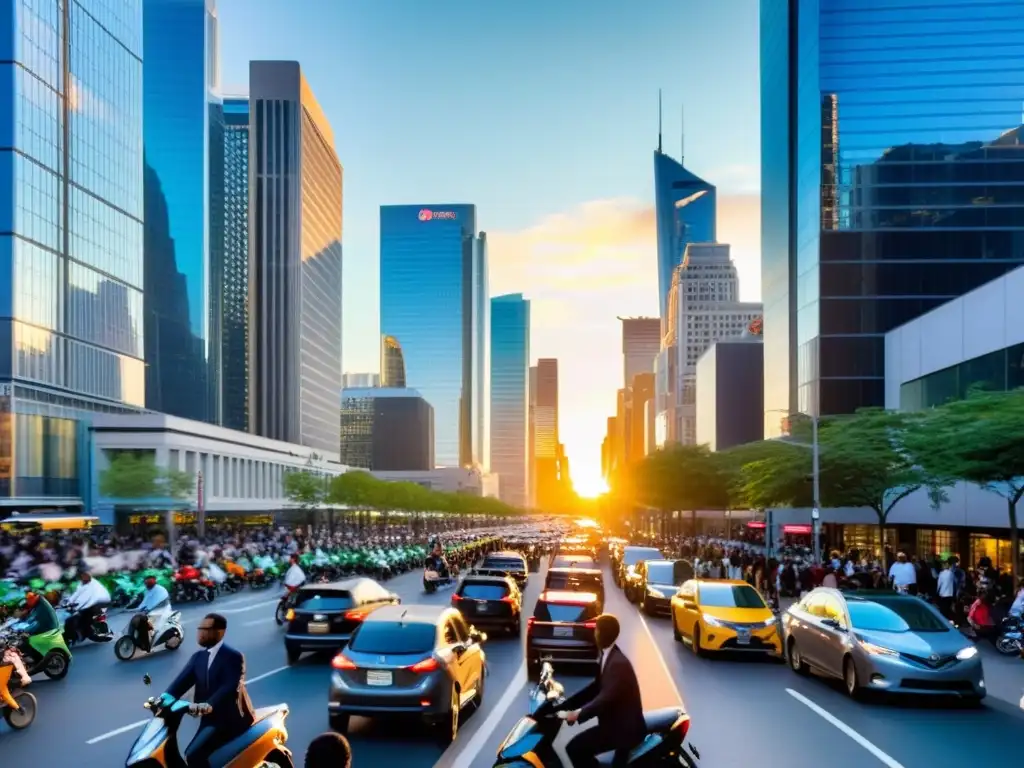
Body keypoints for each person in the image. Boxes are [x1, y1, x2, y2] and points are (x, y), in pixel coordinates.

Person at [163, 613, 255, 768]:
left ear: (220, 632)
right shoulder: (198, 657)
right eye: (199, 628)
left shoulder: (233, 657)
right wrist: (164, 697)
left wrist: (209, 704)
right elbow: (180, 682)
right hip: (209, 720)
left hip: (229, 721)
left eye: (204, 629)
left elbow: (229, 687)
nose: (200, 633)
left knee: (194, 755)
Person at [560, 614, 645, 767]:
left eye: (596, 630)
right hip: (616, 725)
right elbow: (594, 689)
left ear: (601, 634)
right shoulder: (608, 655)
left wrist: (577, 714)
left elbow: (604, 699)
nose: (594, 634)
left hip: (623, 730)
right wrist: (565, 705)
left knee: (575, 748)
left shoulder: (618, 663)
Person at [64, 570, 111, 643]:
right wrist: (68, 602)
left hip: (100, 602)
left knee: (86, 616)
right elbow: (76, 594)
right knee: (81, 615)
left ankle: (96, 632)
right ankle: (83, 632)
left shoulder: (91, 584)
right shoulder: (80, 584)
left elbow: (85, 598)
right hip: (94, 602)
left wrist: (75, 606)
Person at [132, 572, 171, 653]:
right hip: (152, 611)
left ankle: (147, 645)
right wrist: (137, 609)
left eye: (148, 583)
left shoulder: (160, 589)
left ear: (153, 582)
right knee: (137, 620)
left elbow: (158, 601)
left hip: (161, 611)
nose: (147, 585)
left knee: (143, 623)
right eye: (146, 583)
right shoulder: (148, 591)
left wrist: (148, 609)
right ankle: (141, 640)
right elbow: (145, 602)